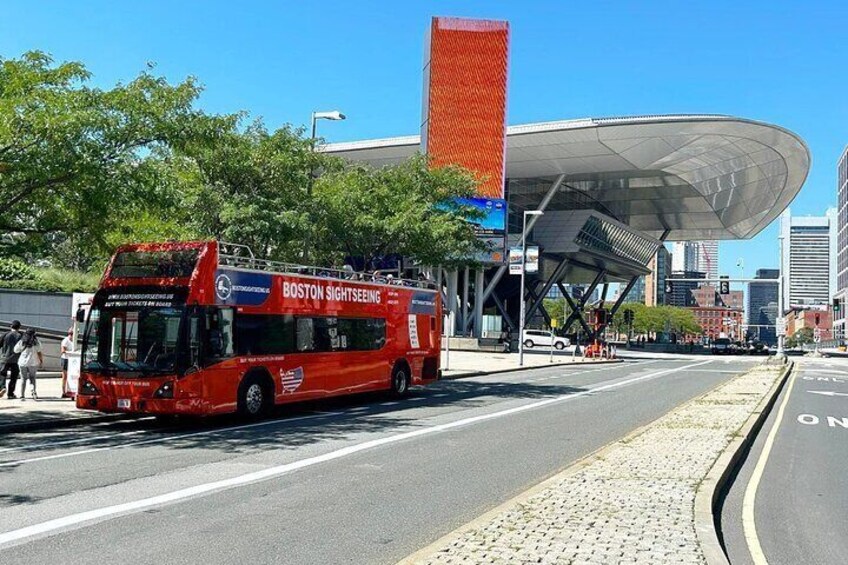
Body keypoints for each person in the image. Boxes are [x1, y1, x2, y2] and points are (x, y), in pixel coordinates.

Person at [13, 328, 43, 401]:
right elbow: (39, 352)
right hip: (33, 362)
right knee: (32, 378)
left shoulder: (22, 341)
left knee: (23, 378)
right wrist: (41, 361)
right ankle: (33, 391)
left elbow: (15, 350)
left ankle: (22, 395)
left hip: (23, 362)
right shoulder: (37, 342)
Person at [0, 320, 23, 399]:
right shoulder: (21, 336)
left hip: (4, 359)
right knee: (14, 376)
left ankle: (2, 387)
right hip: (16, 360)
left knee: (2, 374)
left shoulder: (5, 334)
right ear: (19, 327)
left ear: (11, 326)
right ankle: (10, 394)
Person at [60, 328, 74, 398]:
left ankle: (70, 390)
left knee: (71, 376)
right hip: (65, 359)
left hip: (72, 360)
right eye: (72, 334)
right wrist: (69, 352)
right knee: (65, 376)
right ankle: (63, 391)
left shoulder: (74, 341)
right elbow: (62, 350)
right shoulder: (66, 340)